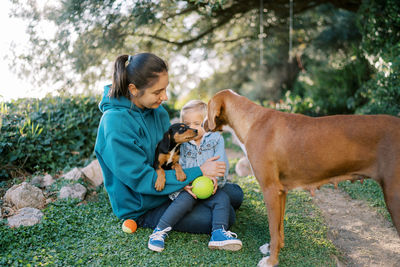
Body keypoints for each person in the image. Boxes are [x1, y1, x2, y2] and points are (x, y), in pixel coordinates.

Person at [94, 53, 243, 238]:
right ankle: (169, 212)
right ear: (133, 89)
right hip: (144, 205)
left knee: (235, 194)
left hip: (172, 190)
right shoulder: (114, 123)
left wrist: (188, 181)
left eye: (165, 89)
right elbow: (142, 180)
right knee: (225, 214)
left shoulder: (159, 112)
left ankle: (201, 198)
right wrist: (198, 173)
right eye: (157, 92)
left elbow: (175, 153)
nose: (164, 97)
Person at [148, 100, 242, 252]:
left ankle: (218, 234)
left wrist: (215, 179)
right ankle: (159, 232)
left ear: (207, 124)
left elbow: (221, 163)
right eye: (187, 124)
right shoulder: (183, 144)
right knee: (183, 200)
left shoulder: (216, 140)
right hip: (190, 186)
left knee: (222, 198)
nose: (192, 128)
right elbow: (179, 166)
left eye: (197, 124)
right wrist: (183, 184)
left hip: (210, 185)